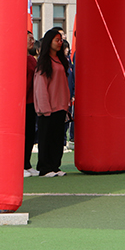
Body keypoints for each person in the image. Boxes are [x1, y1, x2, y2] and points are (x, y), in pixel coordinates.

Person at [34, 28, 71, 176]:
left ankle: (55, 166)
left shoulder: (61, 60)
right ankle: (44, 167)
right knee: (46, 138)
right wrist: (44, 107)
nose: (60, 43)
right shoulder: (44, 63)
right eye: (57, 40)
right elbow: (40, 87)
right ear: (49, 42)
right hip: (48, 106)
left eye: (61, 40)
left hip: (61, 106)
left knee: (57, 138)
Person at [24, 31, 39, 177]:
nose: (32, 41)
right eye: (29, 38)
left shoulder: (31, 59)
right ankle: (20, 165)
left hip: (31, 102)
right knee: (22, 135)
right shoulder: (16, 58)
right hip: (21, 103)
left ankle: (27, 164)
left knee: (30, 134)